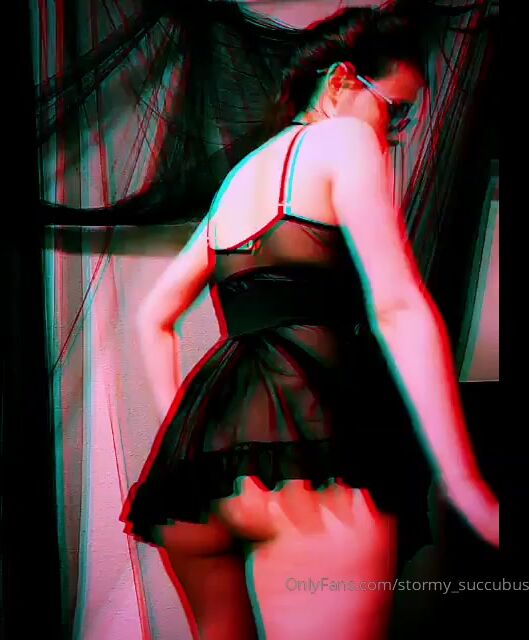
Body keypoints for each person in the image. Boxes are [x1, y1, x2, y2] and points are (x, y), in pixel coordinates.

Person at [121, 6, 499, 639]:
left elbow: (152, 315)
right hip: (309, 461)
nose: (393, 134)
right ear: (344, 81)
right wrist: (464, 484)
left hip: (203, 491)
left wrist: (202, 443)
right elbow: (397, 304)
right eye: (395, 111)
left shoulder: (240, 177)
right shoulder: (345, 140)